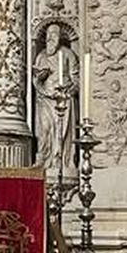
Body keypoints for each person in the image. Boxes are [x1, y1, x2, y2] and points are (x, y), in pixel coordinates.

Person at [31, 23, 79, 181]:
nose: (50, 38)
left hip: (63, 99)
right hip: (45, 99)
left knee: (62, 133)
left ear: (60, 37)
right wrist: (39, 78)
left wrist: (67, 89)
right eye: (48, 35)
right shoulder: (41, 56)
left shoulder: (68, 54)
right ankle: (45, 160)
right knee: (45, 131)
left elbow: (77, 80)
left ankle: (63, 162)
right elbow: (36, 80)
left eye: (54, 34)